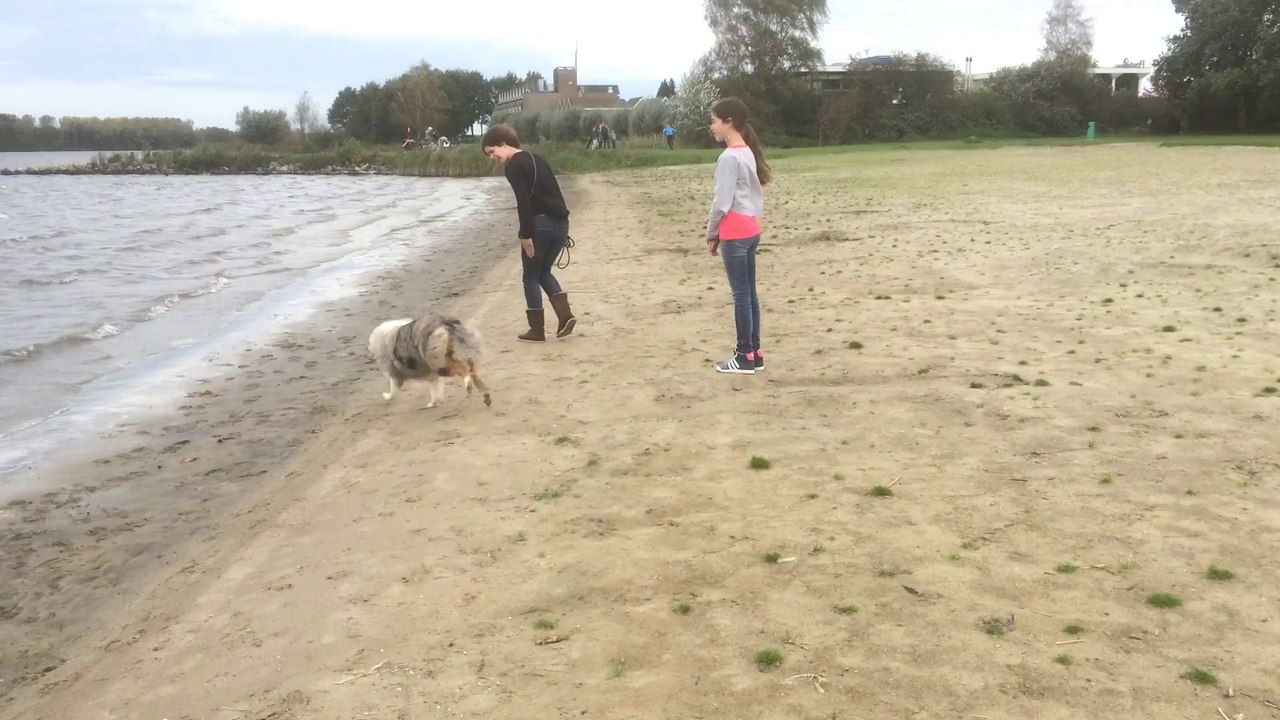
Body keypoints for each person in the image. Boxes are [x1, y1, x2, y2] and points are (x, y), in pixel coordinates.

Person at [481, 123, 577, 343]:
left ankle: (537, 330)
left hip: (541, 227)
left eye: (492, 152)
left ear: (503, 144)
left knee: (530, 277)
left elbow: (523, 203)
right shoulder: (538, 159)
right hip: (561, 225)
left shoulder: (513, 166)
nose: (492, 158)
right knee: (543, 272)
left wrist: (525, 236)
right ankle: (565, 316)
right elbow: (554, 193)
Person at [704, 97, 771, 375]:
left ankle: (744, 355)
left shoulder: (729, 158)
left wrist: (711, 232)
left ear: (729, 122)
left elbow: (721, 202)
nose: (712, 127)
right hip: (751, 229)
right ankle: (754, 352)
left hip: (735, 231)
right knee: (750, 295)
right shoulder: (746, 153)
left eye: (715, 121)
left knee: (741, 295)